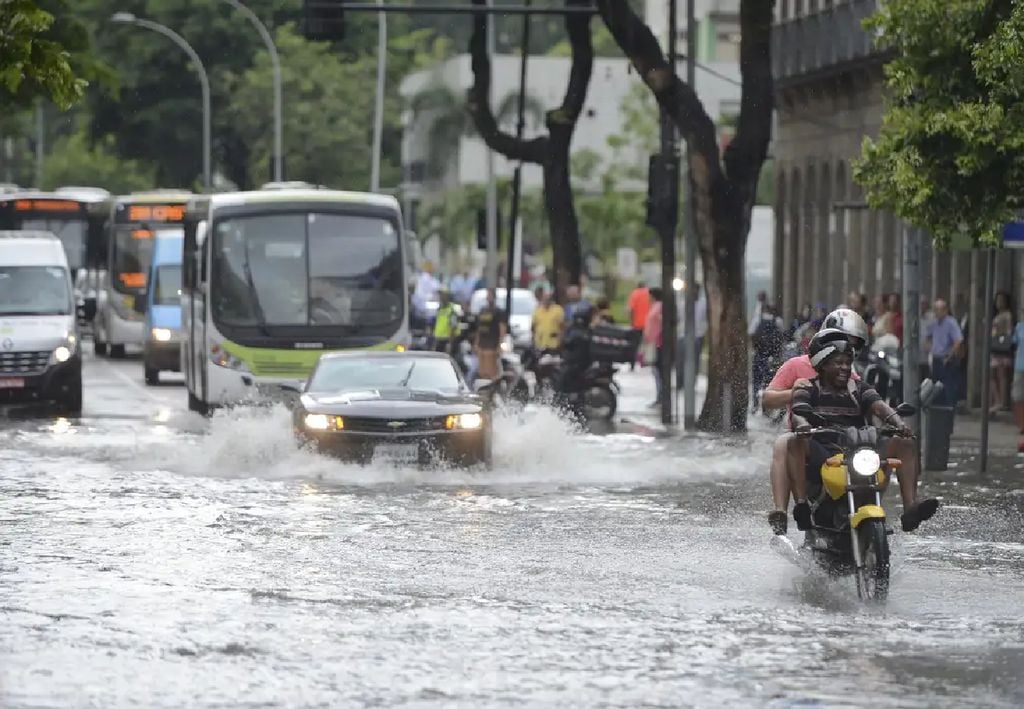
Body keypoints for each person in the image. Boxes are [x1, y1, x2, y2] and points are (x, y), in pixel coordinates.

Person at [769, 328, 939, 536]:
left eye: (847, 363)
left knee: (905, 443)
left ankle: (911, 506)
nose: (844, 368)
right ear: (822, 365)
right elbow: (797, 412)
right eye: (838, 363)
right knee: (794, 441)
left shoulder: (859, 388)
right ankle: (802, 504)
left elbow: (880, 407)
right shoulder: (808, 388)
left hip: (858, 449)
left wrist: (899, 423)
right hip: (823, 451)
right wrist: (803, 424)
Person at [763, 308, 872, 531]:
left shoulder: (850, 374)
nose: (844, 352)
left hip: (841, 438)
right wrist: (794, 392)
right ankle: (782, 512)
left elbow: (868, 403)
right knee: (783, 443)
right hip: (807, 436)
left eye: (852, 345)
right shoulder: (796, 365)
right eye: (840, 341)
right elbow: (767, 399)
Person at [925, 298, 965, 408]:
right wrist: (929, 348)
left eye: (939, 310)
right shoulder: (934, 323)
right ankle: (938, 409)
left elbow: (958, 341)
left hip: (946, 358)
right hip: (936, 357)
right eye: (935, 310)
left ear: (945, 310)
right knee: (936, 386)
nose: (936, 312)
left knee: (949, 386)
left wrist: (950, 355)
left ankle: (950, 409)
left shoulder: (951, 323)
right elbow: (927, 337)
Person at [556, 303, 594, 398]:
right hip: (580, 362)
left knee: (562, 380)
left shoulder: (579, 333)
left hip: (577, 363)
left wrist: (562, 338)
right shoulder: (585, 331)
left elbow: (567, 343)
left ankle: (568, 398)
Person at [990, 290, 1014, 416]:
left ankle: (1002, 402)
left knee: (1001, 375)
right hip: (995, 348)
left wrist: (1000, 334)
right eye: (998, 300)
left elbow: (1009, 332)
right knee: (993, 375)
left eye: (1001, 300)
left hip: (1002, 348)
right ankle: (998, 400)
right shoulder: (996, 314)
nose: (999, 303)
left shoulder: (1007, 315)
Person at [474, 288, 507, 382]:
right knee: (481, 372)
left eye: (490, 295)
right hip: (482, 344)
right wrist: (476, 343)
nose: (488, 298)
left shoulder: (499, 312)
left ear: (494, 297)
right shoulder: (482, 311)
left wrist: (500, 345)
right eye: (487, 295)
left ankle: (491, 390)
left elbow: (502, 330)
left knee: (491, 372)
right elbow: (479, 329)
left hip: (492, 344)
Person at [643, 287, 664, 407]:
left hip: (658, 343)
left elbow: (661, 322)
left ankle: (661, 396)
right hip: (653, 342)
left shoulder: (660, 306)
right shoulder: (655, 306)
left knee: (658, 371)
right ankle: (659, 395)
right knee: (655, 371)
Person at [432, 289, 458, 354]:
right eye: (440, 295)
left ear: (447, 297)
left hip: (446, 340)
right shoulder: (439, 309)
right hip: (438, 339)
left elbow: (453, 327)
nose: (441, 297)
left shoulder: (452, 310)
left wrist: (450, 343)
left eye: (443, 295)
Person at [1012, 312, 1024, 452]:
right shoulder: (1020, 327)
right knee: (1017, 397)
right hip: (1020, 367)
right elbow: (1014, 344)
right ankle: (1022, 426)